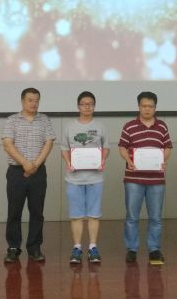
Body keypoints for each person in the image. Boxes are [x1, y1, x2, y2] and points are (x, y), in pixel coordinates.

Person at [118, 91, 172, 265]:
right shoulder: (129, 126)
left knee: (155, 217)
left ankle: (154, 248)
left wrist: (163, 160)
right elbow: (122, 147)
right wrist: (128, 161)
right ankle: (131, 249)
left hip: (156, 180)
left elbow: (168, 147)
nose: (147, 109)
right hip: (133, 179)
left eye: (151, 106)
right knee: (132, 216)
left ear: (155, 108)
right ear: (139, 107)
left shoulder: (162, 126)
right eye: (144, 106)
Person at [2, 88, 55, 263]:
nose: (34, 103)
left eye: (37, 100)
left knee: (37, 212)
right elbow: (8, 144)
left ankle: (34, 247)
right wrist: (25, 163)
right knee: (14, 211)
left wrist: (35, 165)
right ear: (22, 101)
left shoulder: (45, 120)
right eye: (30, 100)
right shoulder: (12, 120)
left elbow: (48, 143)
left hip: (38, 172)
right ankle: (13, 247)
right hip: (16, 172)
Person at [61, 91, 109, 264]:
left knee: (94, 215)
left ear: (94, 106)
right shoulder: (69, 126)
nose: (87, 106)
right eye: (83, 104)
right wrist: (68, 162)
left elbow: (106, 147)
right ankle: (77, 248)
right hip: (74, 179)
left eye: (90, 104)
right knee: (76, 215)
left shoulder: (101, 126)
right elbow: (64, 148)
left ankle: (93, 248)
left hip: (95, 178)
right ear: (78, 106)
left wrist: (102, 160)